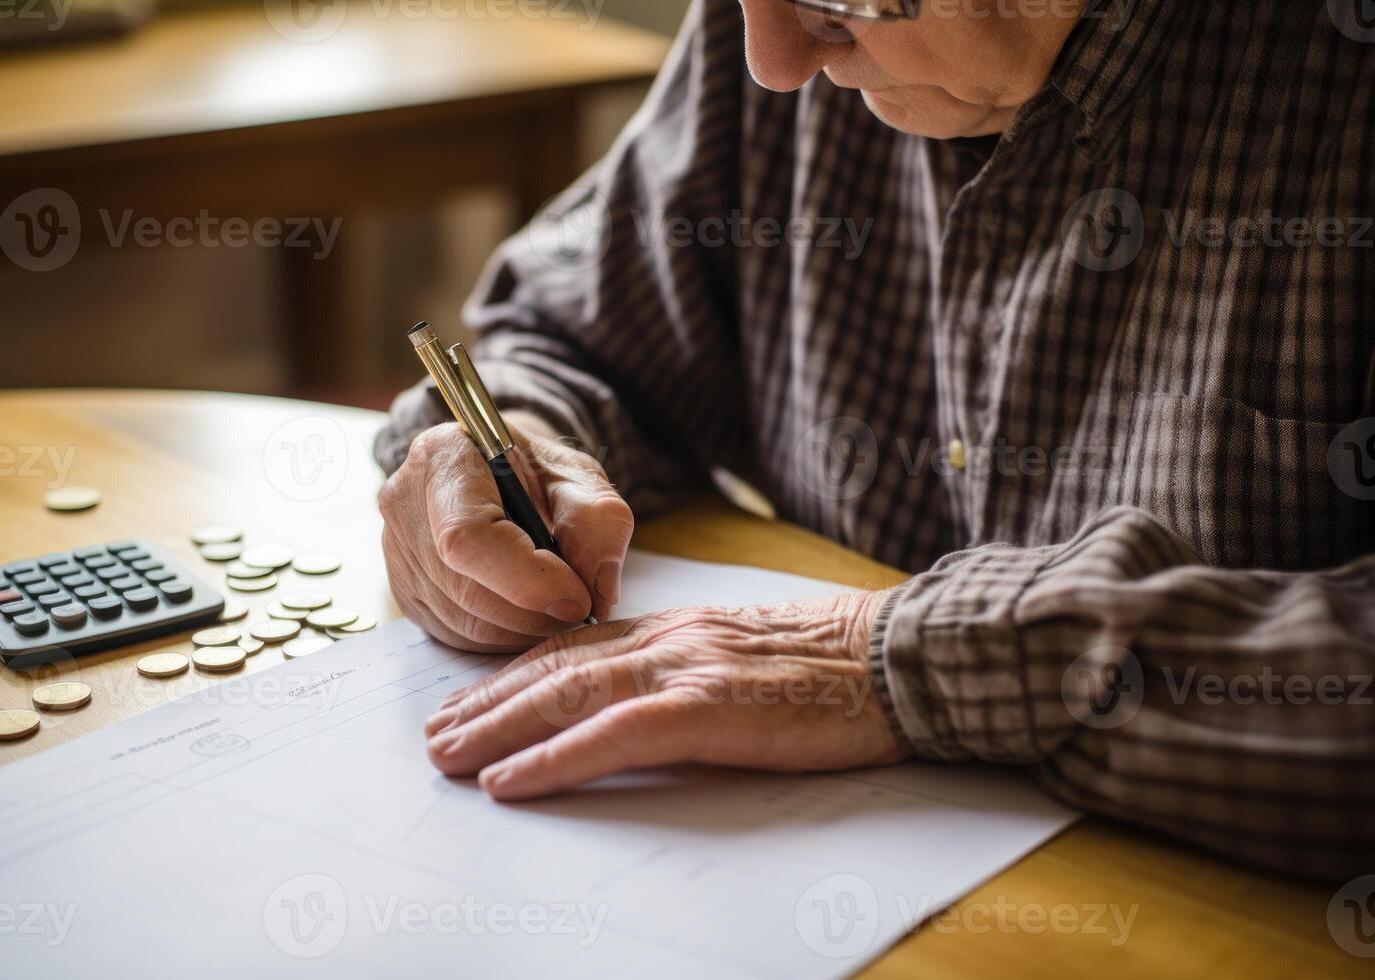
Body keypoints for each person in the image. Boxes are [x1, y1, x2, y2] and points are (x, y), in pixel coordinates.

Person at [375, 0, 1374, 880]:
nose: (775, 58)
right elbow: (565, 334)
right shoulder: (771, 23)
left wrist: (892, 661)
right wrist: (513, 453)